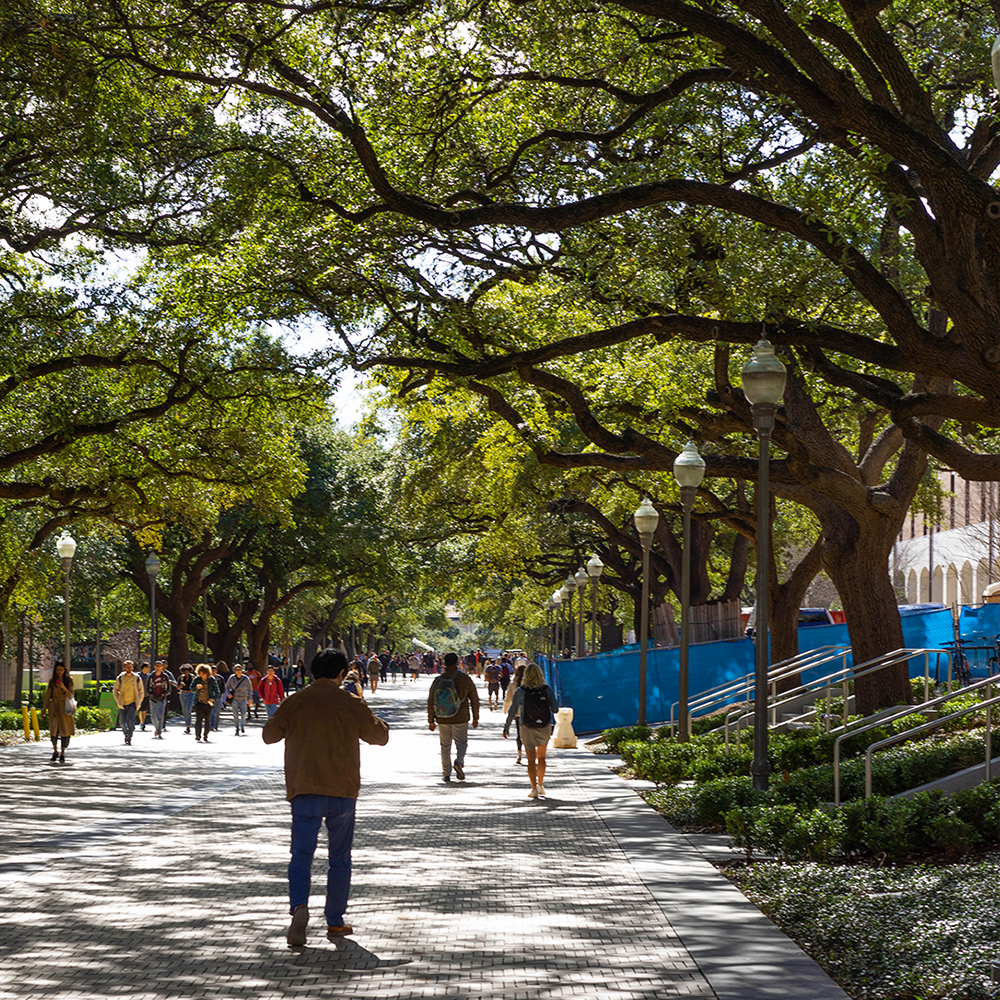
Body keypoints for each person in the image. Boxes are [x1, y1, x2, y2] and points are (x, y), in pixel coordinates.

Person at [263, 648, 389, 946]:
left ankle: (299, 907)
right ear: (342, 673)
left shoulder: (296, 701)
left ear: (312, 672)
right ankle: (334, 920)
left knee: (301, 855)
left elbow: (269, 735)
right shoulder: (350, 702)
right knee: (340, 858)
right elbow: (379, 737)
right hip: (342, 791)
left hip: (303, 788)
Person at [503, 662, 557, 798]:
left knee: (531, 760)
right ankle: (541, 785)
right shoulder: (547, 689)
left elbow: (513, 710)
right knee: (542, 758)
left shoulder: (521, 691)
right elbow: (555, 709)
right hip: (544, 726)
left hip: (526, 726)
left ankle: (533, 789)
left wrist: (506, 727)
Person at [427, 651, 480, 783]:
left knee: (445, 745)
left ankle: (446, 773)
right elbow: (474, 698)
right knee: (461, 743)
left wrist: (431, 720)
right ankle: (459, 761)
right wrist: (475, 717)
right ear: (458, 662)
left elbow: (431, 700)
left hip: (442, 717)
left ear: (444, 663)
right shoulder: (465, 679)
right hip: (460, 717)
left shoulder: (438, 680)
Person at [42, 660, 74, 764]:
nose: (59, 672)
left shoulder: (69, 681)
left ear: (65, 670)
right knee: (54, 729)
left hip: (64, 707)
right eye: (57, 670)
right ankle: (55, 750)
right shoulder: (52, 682)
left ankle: (63, 753)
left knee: (65, 730)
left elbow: (71, 695)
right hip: (54, 707)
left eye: (61, 669)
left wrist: (63, 688)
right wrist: (44, 709)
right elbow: (48, 696)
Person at [113, 660, 144, 745]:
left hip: (133, 703)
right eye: (127, 667)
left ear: (133, 667)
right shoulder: (120, 677)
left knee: (131, 721)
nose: (129, 668)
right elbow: (115, 690)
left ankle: (129, 736)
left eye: (130, 666)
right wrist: (117, 699)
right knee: (122, 722)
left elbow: (141, 691)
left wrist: (139, 700)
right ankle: (126, 733)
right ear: (124, 668)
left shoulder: (137, 678)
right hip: (122, 703)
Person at [502, 661, 525, 765]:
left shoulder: (512, 685)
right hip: (529, 713)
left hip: (517, 712)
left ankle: (519, 753)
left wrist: (506, 709)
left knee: (519, 734)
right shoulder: (530, 685)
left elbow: (508, 699)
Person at [147, 659, 177, 739]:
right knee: (153, 717)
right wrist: (151, 695)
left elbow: (169, 689)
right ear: (154, 667)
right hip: (153, 698)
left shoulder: (165, 676)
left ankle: (159, 732)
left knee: (161, 716)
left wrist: (164, 695)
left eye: (159, 666)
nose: (158, 667)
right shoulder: (151, 676)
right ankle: (157, 728)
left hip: (162, 698)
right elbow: (147, 688)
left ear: (162, 667)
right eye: (156, 666)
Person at [193, 664, 219, 742]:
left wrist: (213, 698)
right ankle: (198, 735)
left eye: (203, 674)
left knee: (207, 720)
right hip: (199, 702)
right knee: (198, 719)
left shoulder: (212, 680)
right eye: (200, 673)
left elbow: (217, 692)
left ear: (207, 673)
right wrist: (196, 688)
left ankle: (206, 735)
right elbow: (191, 689)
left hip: (208, 703)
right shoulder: (197, 679)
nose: (202, 675)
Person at [226, 663, 254, 734]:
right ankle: (237, 728)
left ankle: (242, 725)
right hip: (234, 698)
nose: (238, 671)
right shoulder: (232, 678)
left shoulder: (245, 678)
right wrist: (228, 693)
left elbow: (250, 689)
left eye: (240, 669)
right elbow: (227, 686)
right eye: (237, 670)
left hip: (243, 698)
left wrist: (250, 699)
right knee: (235, 714)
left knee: (244, 714)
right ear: (234, 671)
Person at [177, 664, 196, 734]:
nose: (186, 673)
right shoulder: (181, 678)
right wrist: (180, 685)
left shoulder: (193, 678)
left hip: (191, 694)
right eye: (184, 671)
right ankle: (187, 724)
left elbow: (196, 687)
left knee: (188, 709)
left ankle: (189, 725)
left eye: (187, 671)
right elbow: (178, 688)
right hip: (183, 694)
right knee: (184, 710)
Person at [137, 661, 151, 731]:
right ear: (144, 667)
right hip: (139, 695)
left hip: (146, 695)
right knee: (140, 709)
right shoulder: (137, 675)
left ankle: (143, 722)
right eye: (148, 667)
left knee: (144, 709)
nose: (149, 669)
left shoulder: (149, 676)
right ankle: (141, 722)